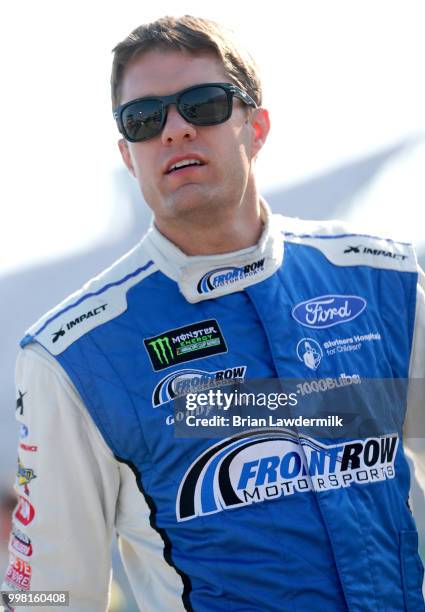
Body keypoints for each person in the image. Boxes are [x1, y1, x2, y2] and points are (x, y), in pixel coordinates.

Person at [2, 14, 425, 612]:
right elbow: (48, 593)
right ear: (129, 156)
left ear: (256, 126)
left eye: (202, 104)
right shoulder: (71, 355)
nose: (174, 131)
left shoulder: (386, 280)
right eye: (145, 119)